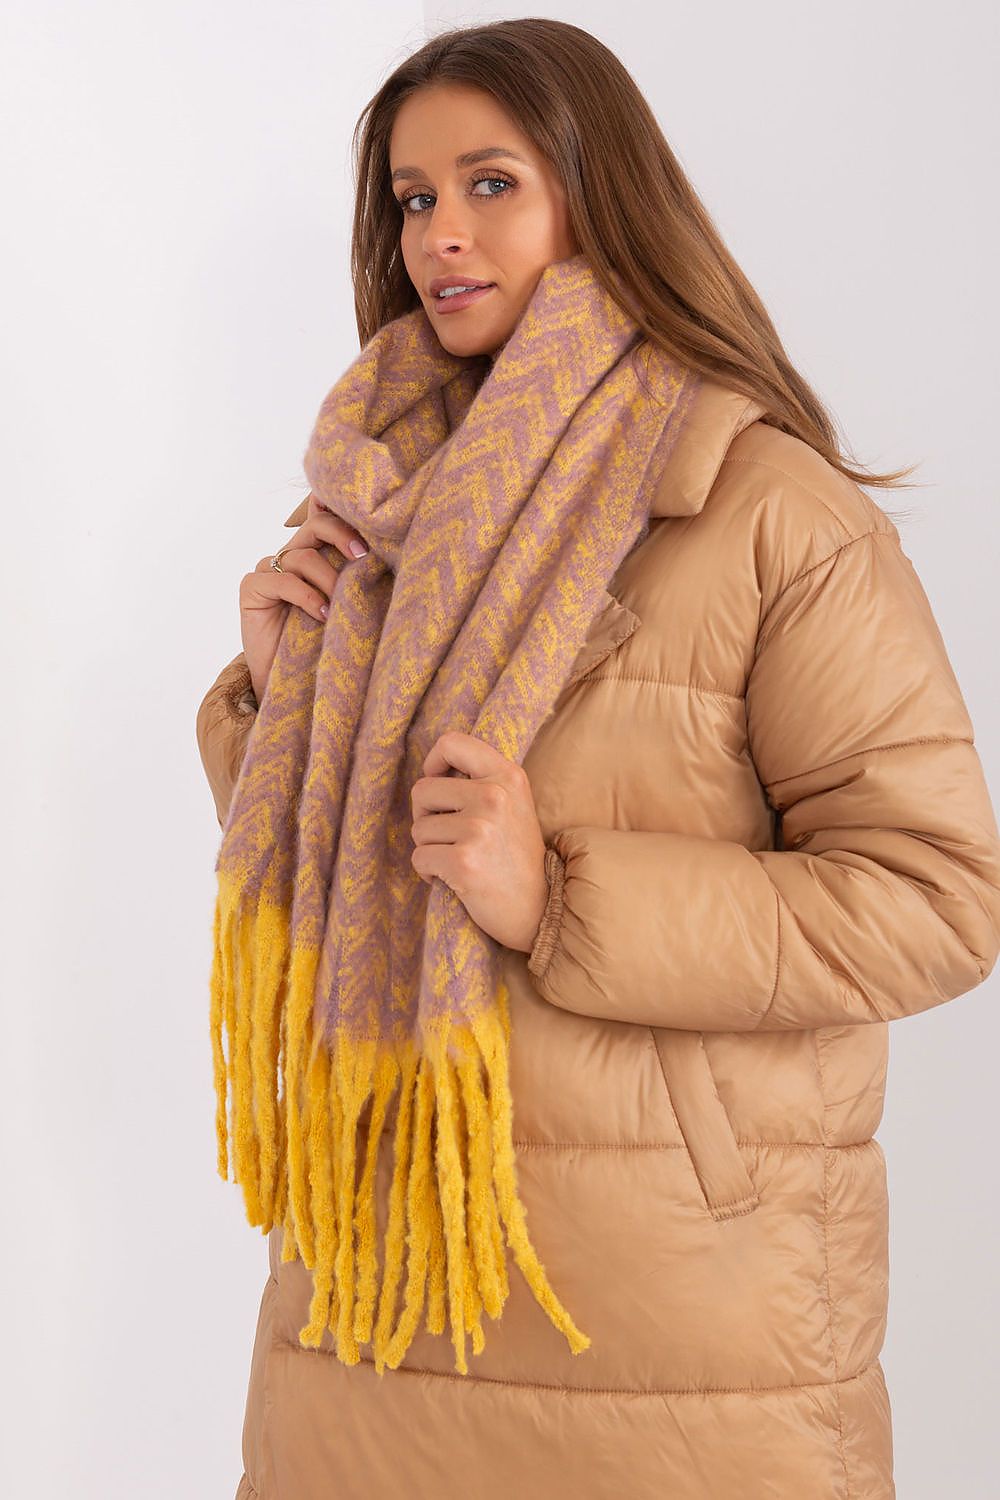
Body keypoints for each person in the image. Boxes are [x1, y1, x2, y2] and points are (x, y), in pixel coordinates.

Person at [195, 19, 1000, 1500]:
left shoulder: (770, 514)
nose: (438, 234)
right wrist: (277, 692)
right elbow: (350, 883)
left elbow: (938, 900)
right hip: (374, 1302)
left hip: (681, 1345)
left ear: (600, 191)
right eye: (414, 198)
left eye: (490, 183)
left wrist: (559, 893)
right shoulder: (379, 510)